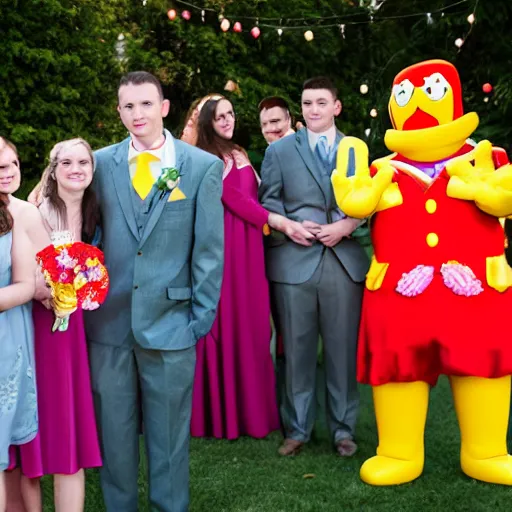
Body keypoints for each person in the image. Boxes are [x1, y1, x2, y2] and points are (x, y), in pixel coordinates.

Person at [332, 59, 512, 485]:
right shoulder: (380, 170)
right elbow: (356, 206)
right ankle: (398, 451)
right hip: (399, 297)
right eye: (405, 95)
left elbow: (503, 200)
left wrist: (487, 189)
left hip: (475, 294)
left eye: (430, 92)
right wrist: (352, 195)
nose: (417, 105)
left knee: (483, 365)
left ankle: (486, 450)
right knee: (398, 368)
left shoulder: (488, 157)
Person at [83, 71, 225, 512]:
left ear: (163, 107)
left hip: (173, 323)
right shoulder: (98, 164)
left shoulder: (201, 167)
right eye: (128, 106)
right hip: (108, 325)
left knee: (168, 440)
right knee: (115, 436)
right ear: (119, 112)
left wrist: (199, 319)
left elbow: (208, 252)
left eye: (146, 104)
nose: (137, 114)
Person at [259, 77, 369, 457]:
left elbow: (371, 201)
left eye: (321, 102)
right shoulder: (280, 151)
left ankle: (343, 430)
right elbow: (268, 202)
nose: (314, 110)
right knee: (297, 351)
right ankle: (298, 428)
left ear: (336, 107)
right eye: (307, 103)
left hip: (343, 261)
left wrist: (347, 225)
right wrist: (288, 226)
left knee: (341, 350)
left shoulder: (355, 149)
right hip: (293, 262)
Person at [10, 138, 102, 512]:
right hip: (42, 326)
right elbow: (25, 273)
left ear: (93, 170)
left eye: (83, 162)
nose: (75, 168)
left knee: (71, 424)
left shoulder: (100, 211)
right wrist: (48, 291)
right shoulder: (36, 211)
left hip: (77, 327)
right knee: (41, 418)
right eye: (66, 162)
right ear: (53, 168)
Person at [190, 97, 280, 439]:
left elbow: (257, 196)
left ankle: (254, 413)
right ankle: (220, 416)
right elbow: (234, 199)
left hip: (251, 249)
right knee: (227, 326)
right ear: (207, 123)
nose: (227, 120)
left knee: (254, 326)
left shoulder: (238, 152)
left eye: (229, 114)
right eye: (218, 116)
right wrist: (277, 221)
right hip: (226, 252)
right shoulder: (208, 157)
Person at [0, 137, 43, 512]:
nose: (9, 172)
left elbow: (29, 284)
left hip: (8, 335)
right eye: (1, 166)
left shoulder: (15, 215)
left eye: (13, 164)